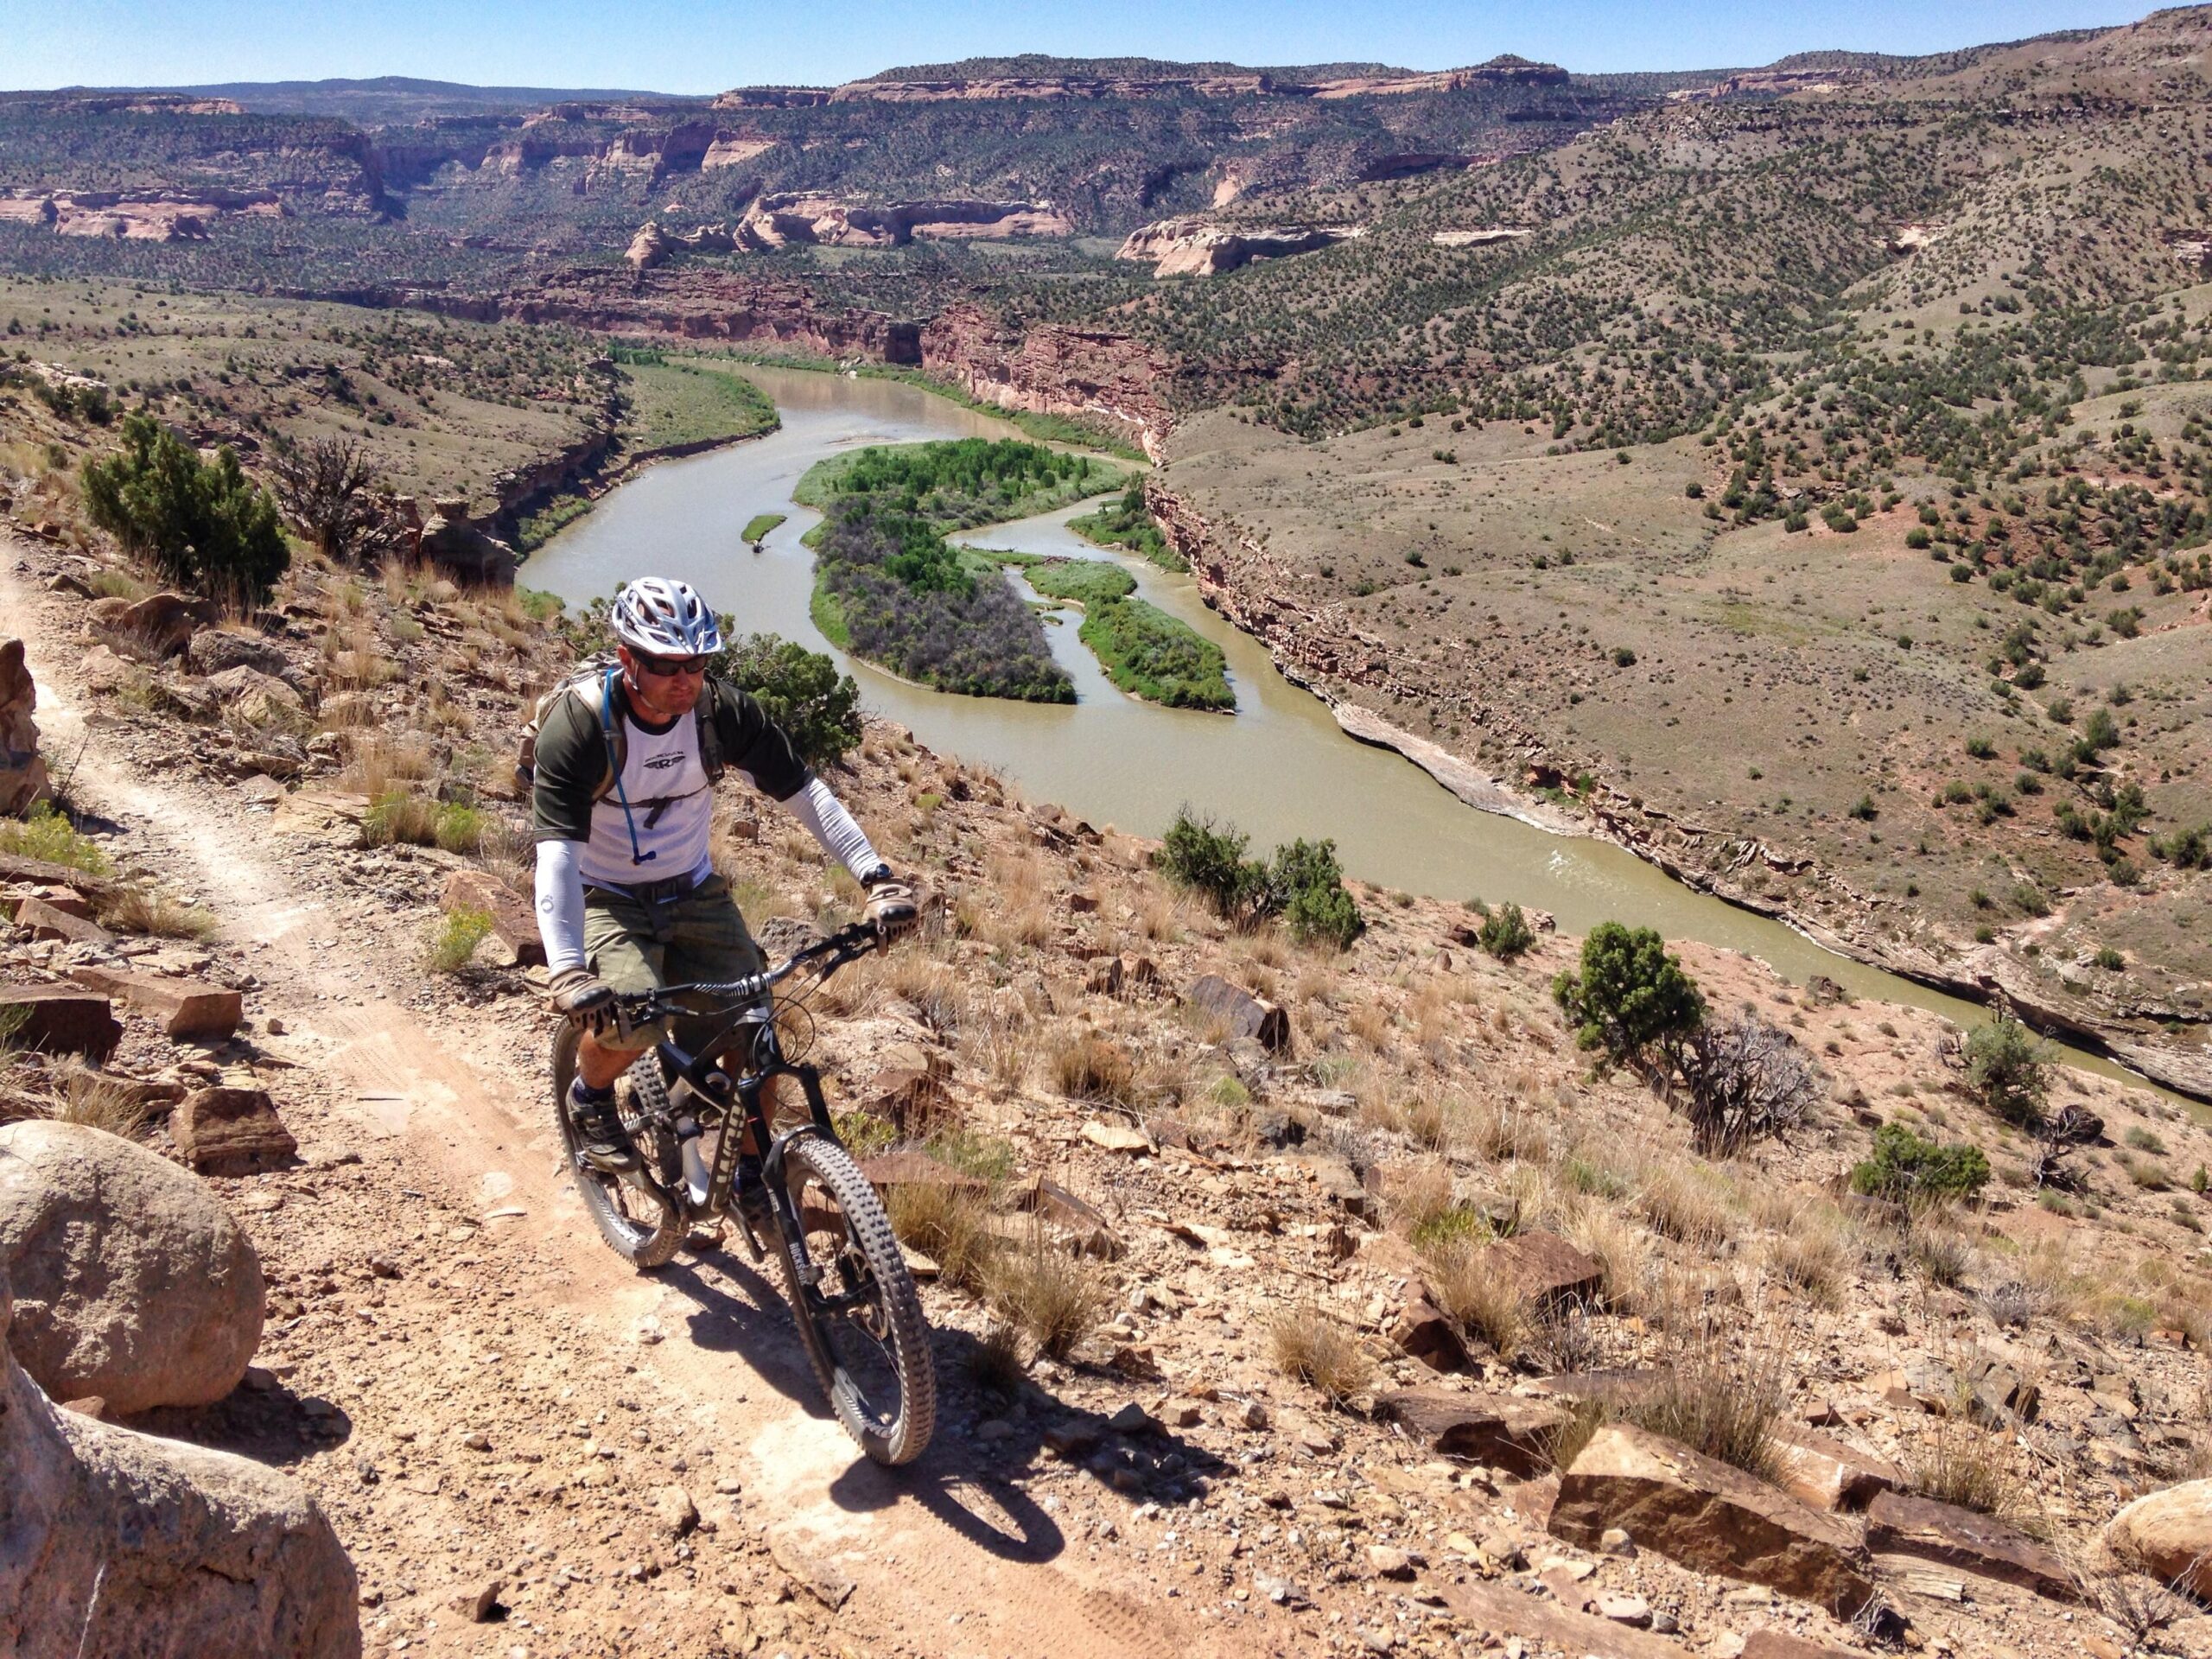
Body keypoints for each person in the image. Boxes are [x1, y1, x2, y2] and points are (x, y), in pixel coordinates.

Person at [532, 575, 915, 1179]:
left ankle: (749, 1175)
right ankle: (589, 1097)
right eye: (666, 666)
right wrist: (568, 969)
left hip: (693, 888)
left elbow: (805, 795)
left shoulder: (721, 713)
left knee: (754, 1036)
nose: (685, 680)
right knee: (631, 1019)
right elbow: (556, 853)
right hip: (605, 894)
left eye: (698, 662)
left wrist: (877, 877)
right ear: (628, 659)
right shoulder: (581, 729)